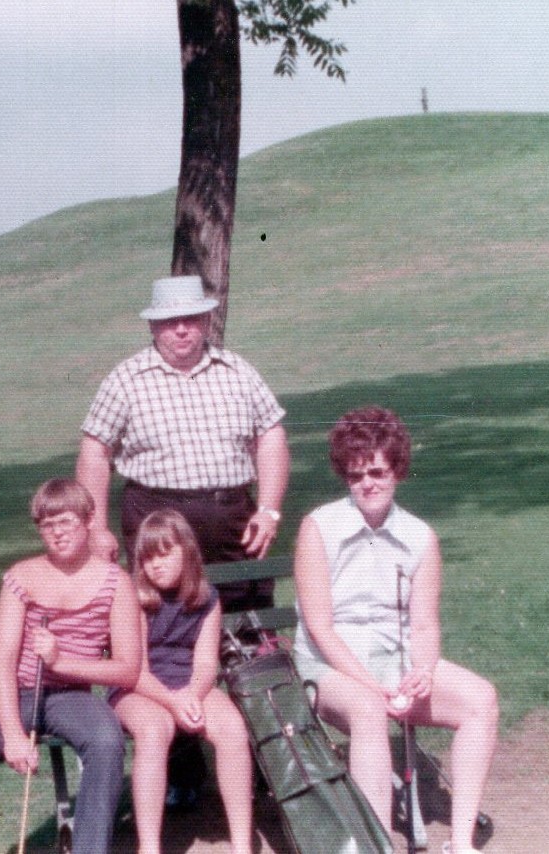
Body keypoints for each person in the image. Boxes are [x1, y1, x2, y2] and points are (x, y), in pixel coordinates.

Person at [292, 406, 499, 854]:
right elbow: (320, 629)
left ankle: (462, 841)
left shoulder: (420, 537)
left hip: (395, 661)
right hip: (329, 668)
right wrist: (371, 686)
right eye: (355, 475)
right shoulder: (318, 528)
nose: (366, 484)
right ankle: (378, 845)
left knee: (480, 699)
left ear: (398, 471)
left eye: (377, 472)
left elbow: (424, 624)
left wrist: (422, 670)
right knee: (368, 709)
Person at [0, 478, 141, 854]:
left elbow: (127, 670)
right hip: (19, 695)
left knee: (106, 740)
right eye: (47, 525)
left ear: (89, 520)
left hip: (73, 698)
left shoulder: (116, 583)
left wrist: (61, 662)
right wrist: (13, 736)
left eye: (65, 521)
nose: (57, 533)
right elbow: (2, 663)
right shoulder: (21, 577)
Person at [77, 273, 290, 613]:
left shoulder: (239, 373)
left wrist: (268, 510)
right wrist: (97, 528)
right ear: (152, 326)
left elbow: (271, 436)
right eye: (169, 321)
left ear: (206, 321)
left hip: (231, 519)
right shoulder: (125, 380)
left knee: (246, 615)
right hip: (156, 519)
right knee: (163, 618)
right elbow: (95, 452)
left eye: (190, 319)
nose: (181, 329)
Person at [110, 508, 253, 854]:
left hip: (188, 684)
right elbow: (133, 670)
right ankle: (149, 846)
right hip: (137, 686)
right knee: (154, 730)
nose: (156, 565)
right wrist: (174, 702)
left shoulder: (207, 599)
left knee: (232, 728)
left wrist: (192, 693)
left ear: (187, 552)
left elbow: (205, 663)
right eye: (148, 558)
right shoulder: (133, 598)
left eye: (164, 554)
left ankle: (242, 843)